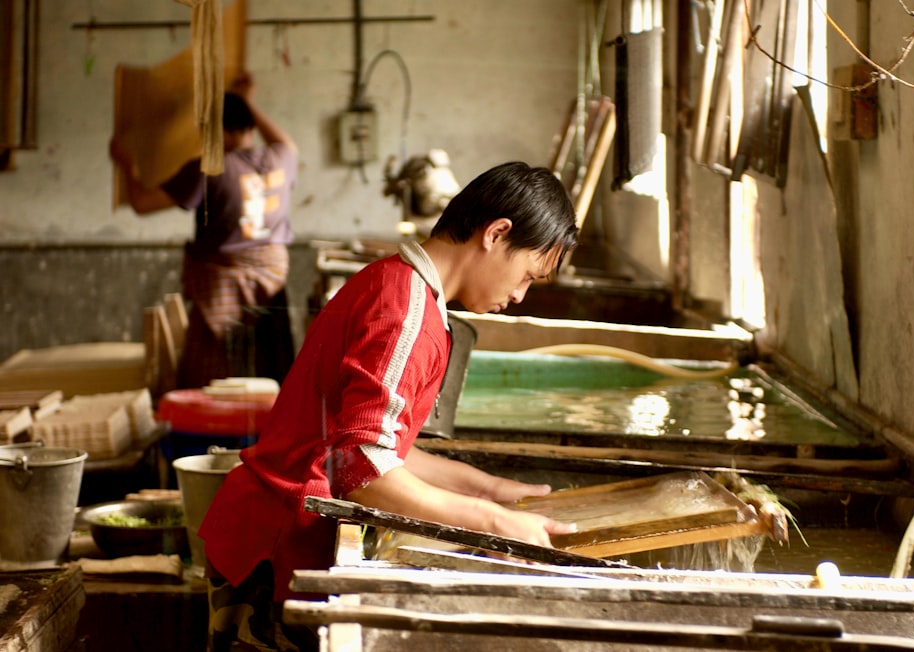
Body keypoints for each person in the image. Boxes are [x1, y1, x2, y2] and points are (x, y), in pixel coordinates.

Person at [198, 161, 580, 651]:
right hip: (274, 550)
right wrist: (495, 523)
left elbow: (380, 448)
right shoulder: (405, 310)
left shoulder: (403, 287)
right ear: (496, 233)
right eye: (528, 275)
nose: (520, 295)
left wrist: (489, 490)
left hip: (273, 533)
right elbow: (362, 466)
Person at [109, 75, 298, 389]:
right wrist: (247, 102)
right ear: (251, 129)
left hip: (225, 278)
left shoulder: (208, 169)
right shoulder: (280, 159)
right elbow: (285, 141)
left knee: (211, 365)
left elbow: (142, 203)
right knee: (266, 356)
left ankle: (211, 424)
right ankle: (269, 421)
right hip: (272, 274)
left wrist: (128, 165)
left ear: (216, 132)